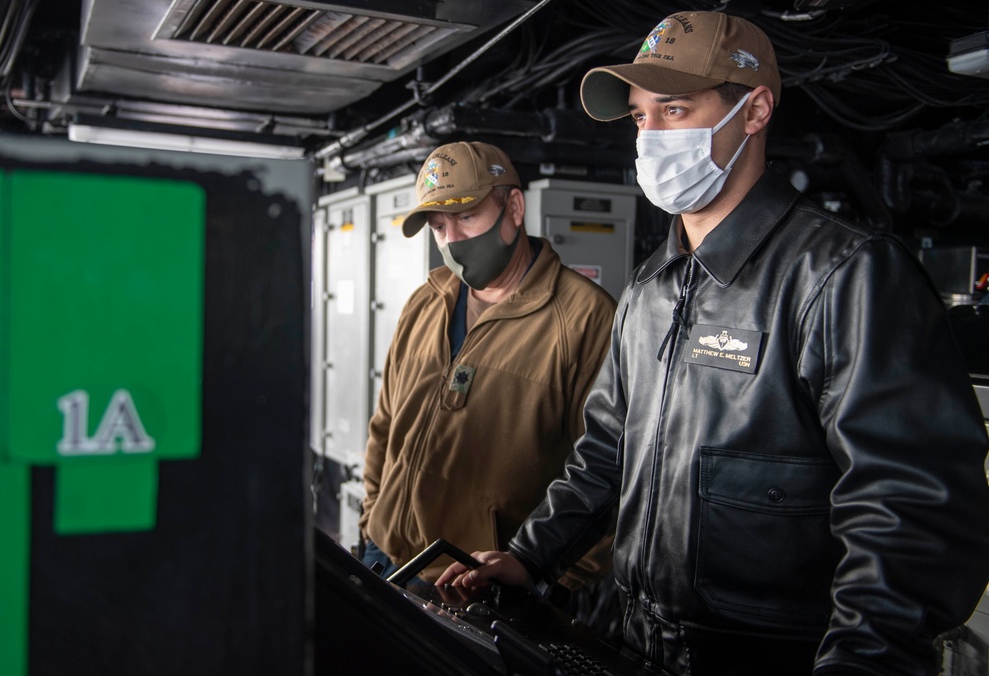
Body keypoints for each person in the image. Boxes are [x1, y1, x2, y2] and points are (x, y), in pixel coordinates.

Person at [437, 11, 989, 675]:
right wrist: (531, 556)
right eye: (641, 118)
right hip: (632, 643)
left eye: (674, 110)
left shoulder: (844, 277)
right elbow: (606, 452)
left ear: (754, 111)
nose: (649, 139)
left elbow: (910, 516)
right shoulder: (650, 287)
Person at [358, 140, 617, 588]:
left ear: (513, 208)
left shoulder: (583, 317)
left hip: (473, 583)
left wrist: (548, 579)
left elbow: (605, 470)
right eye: (439, 227)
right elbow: (385, 426)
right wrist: (372, 516)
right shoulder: (425, 302)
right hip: (385, 557)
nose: (452, 241)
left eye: (466, 217)